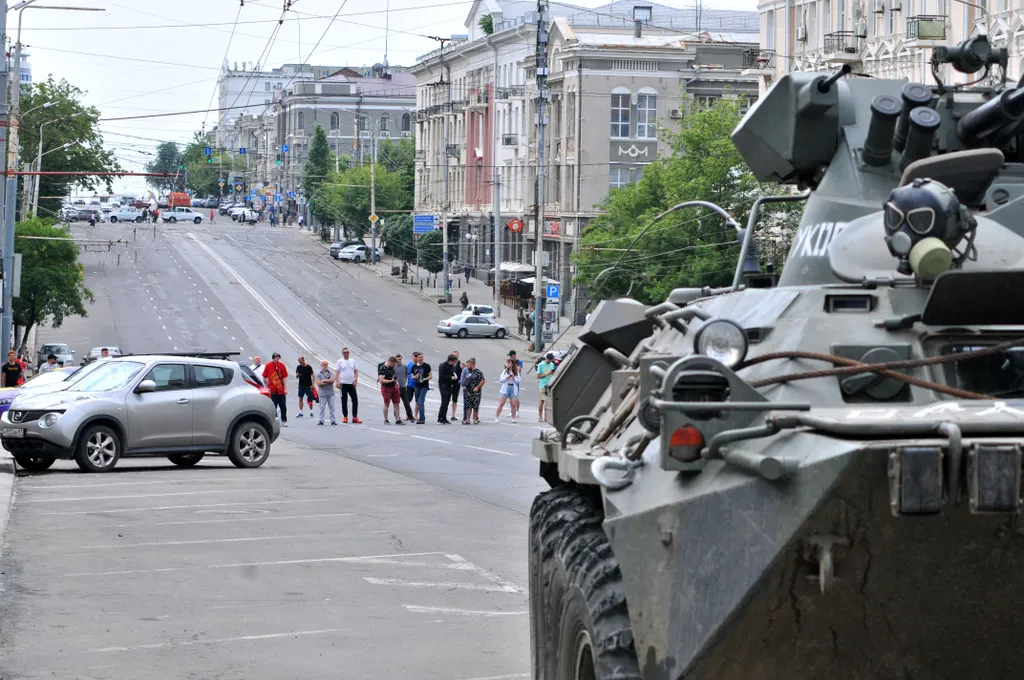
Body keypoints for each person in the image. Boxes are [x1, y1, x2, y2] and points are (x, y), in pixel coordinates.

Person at [261, 352, 289, 426]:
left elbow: (285, 377)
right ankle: (275, 421)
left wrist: (285, 388)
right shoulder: (268, 365)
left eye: (278, 357)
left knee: (283, 406)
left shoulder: (282, 365)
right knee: (274, 406)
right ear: (273, 358)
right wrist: (266, 387)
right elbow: (264, 376)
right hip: (272, 389)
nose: (277, 359)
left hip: (281, 389)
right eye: (276, 357)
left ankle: (284, 420)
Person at [335, 347, 361, 424]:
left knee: (355, 400)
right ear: (342, 354)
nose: (346, 354)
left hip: (351, 383)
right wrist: (337, 382)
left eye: (347, 352)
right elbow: (337, 372)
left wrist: (356, 380)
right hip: (343, 383)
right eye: (345, 352)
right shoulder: (340, 361)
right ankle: (345, 416)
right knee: (344, 400)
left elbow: (356, 371)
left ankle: (355, 417)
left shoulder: (353, 361)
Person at [377, 356, 404, 425]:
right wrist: (391, 380)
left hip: (394, 386)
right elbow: (381, 380)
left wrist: (396, 381)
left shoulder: (392, 368)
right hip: (386, 387)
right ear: (389, 362)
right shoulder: (382, 368)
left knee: (397, 403)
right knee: (387, 403)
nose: (394, 365)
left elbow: (394, 375)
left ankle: (397, 419)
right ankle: (386, 419)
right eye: (393, 364)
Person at [494, 357, 521, 423]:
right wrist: (507, 377)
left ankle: (513, 418)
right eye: (507, 363)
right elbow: (501, 380)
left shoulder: (516, 371)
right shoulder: (505, 371)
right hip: (506, 387)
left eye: (509, 363)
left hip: (513, 388)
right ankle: (497, 417)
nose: (508, 364)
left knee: (513, 404)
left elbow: (519, 381)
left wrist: (514, 378)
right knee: (501, 403)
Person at [437, 354, 460, 424]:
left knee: (447, 402)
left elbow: (453, 374)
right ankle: (440, 417)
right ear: (450, 361)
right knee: (444, 401)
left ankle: (444, 417)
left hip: (450, 385)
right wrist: (450, 377)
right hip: (443, 385)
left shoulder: (452, 367)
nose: (454, 363)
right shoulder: (443, 365)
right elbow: (441, 376)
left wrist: (456, 380)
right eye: (454, 362)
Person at [461, 358, 485, 424]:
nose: (467, 367)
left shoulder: (478, 372)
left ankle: (475, 419)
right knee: (468, 406)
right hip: (468, 391)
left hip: (476, 392)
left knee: (475, 406)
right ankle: (467, 420)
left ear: (472, 364)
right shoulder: (468, 372)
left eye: (468, 365)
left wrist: (477, 387)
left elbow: (483, 381)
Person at [410, 352, 432, 424]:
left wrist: (425, 379)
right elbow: (412, 376)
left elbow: (430, 376)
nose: (421, 359)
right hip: (417, 386)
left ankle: (422, 418)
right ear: (417, 358)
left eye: (422, 357)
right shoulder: (414, 366)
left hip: (424, 386)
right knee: (417, 401)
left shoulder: (426, 366)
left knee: (421, 401)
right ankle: (420, 416)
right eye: (419, 357)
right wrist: (415, 377)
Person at [537, 352, 557, 422]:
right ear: (547, 359)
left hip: (550, 384)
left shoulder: (552, 364)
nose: (551, 361)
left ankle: (546, 417)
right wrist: (547, 373)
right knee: (542, 401)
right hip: (543, 384)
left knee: (547, 402)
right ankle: (540, 417)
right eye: (550, 360)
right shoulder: (541, 365)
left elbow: (553, 373)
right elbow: (538, 376)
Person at [315, 359, 337, 425]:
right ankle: (321, 420)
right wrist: (328, 381)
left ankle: (333, 421)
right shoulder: (318, 374)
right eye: (324, 365)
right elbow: (318, 383)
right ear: (321, 365)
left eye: (326, 364)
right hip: (322, 394)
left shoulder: (330, 373)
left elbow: (332, 380)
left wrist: (323, 381)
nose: (325, 366)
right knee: (322, 408)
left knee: (332, 408)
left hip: (330, 393)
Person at [394, 352, 414, 422]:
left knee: (406, 403)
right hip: (395, 388)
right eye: (397, 359)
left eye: (400, 359)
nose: (399, 361)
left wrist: (404, 382)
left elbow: (406, 375)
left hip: (403, 387)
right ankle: (397, 417)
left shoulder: (404, 367)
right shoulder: (394, 367)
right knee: (396, 403)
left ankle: (410, 417)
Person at [405, 352, 420, 422]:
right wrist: (405, 384)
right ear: (413, 356)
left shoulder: (420, 365)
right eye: (415, 356)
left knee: (418, 401)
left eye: (417, 356)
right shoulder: (409, 364)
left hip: (418, 385)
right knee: (408, 400)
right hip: (410, 384)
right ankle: (408, 415)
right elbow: (406, 374)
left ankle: (416, 415)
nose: (416, 358)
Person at [459, 359, 473, 423]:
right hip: (466, 388)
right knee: (466, 403)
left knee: (473, 404)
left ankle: (474, 417)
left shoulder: (475, 370)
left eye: (469, 365)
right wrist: (463, 385)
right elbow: (462, 378)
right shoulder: (465, 370)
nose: (467, 366)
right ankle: (465, 417)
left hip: (473, 389)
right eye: (467, 365)